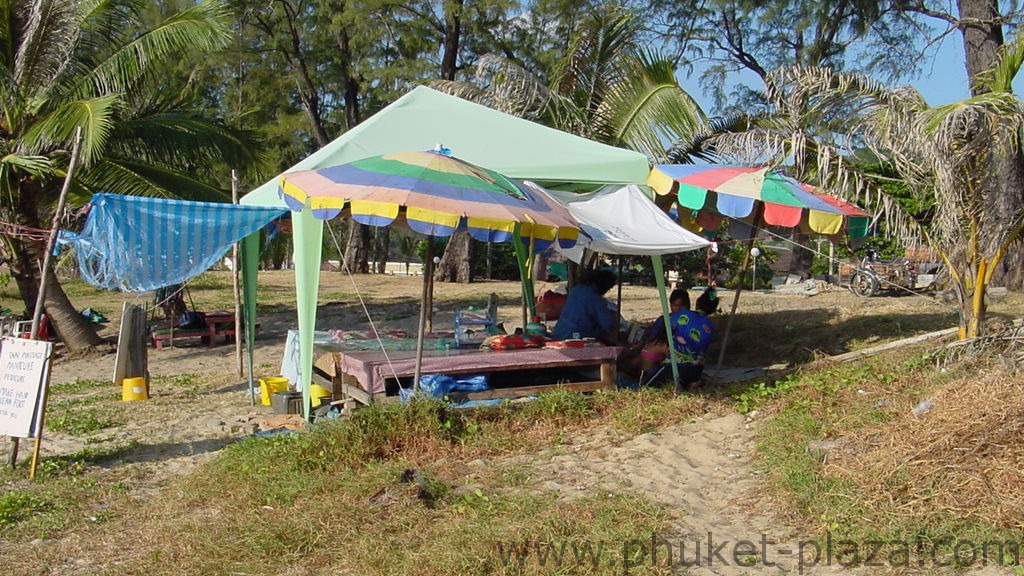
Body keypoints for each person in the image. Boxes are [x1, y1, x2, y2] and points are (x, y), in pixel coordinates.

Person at [551, 269, 619, 343]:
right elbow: (608, 325)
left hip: (558, 333)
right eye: (609, 288)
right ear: (605, 286)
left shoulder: (576, 290)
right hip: (576, 339)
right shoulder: (597, 300)